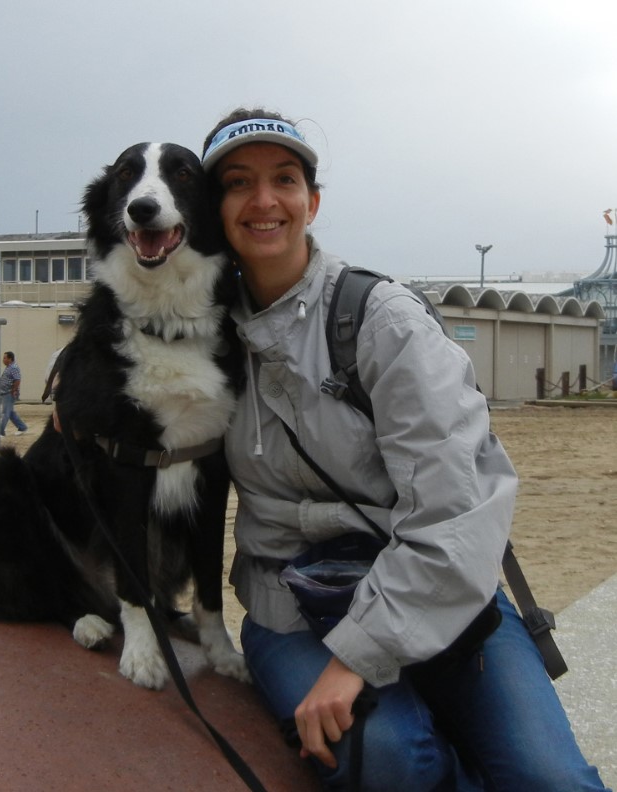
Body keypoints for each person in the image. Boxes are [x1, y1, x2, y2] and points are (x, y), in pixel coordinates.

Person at [201, 108, 609, 791]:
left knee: (549, 779)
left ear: (313, 201)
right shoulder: (201, 334)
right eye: (238, 183)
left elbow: (458, 505)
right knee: (386, 755)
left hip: (435, 583)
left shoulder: (378, 320)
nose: (263, 200)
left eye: (284, 179)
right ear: (213, 210)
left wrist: (358, 657)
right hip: (290, 602)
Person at [0, 351, 28, 436]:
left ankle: (0, 431)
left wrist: (13, 390)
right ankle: (22, 427)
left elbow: (17, 380)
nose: (3, 360)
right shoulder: (9, 367)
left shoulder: (13, 367)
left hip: (9, 393)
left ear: (10, 359)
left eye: (5, 358)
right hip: (5, 393)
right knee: (10, 413)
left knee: (5, 413)